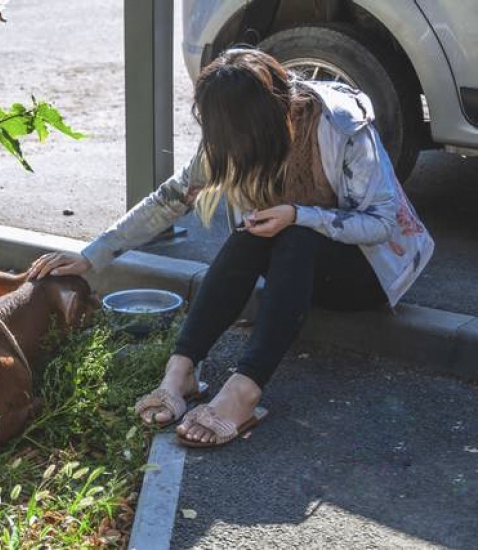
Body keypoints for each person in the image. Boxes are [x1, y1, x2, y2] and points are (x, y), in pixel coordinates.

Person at [27, 48, 433, 448]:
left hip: (366, 272)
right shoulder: (234, 130)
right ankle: (181, 372)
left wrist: (298, 215)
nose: (230, 149)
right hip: (296, 272)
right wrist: (91, 255)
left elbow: (382, 223)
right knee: (250, 234)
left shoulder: (341, 125)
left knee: (295, 235)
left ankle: (244, 391)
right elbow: (171, 198)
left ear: (264, 121)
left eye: (236, 138)